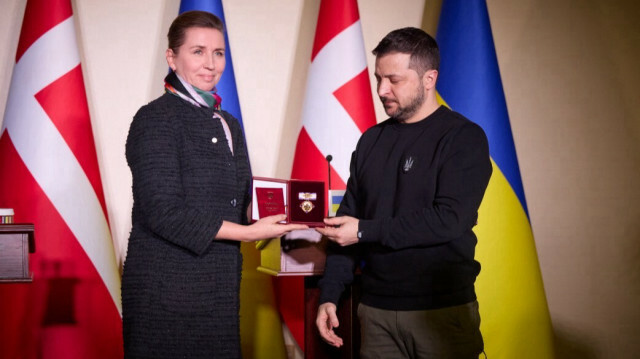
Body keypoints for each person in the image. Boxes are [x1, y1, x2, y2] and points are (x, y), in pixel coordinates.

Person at [122, 11, 307, 359]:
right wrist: (249, 234)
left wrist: (295, 213)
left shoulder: (228, 123)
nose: (211, 64)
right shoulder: (153, 119)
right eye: (198, 51)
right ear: (172, 58)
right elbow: (164, 212)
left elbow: (241, 201)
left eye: (218, 53)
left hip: (219, 288)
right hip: (164, 291)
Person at [315, 27, 492, 358]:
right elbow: (345, 226)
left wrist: (365, 230)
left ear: (429, 79)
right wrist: (329, 294)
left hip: (439, 313)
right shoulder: (370, 141)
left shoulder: (463, 138)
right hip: (375, 313)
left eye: (394, 79)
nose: (382, 90)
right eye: (378, 78)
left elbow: (449, 219)